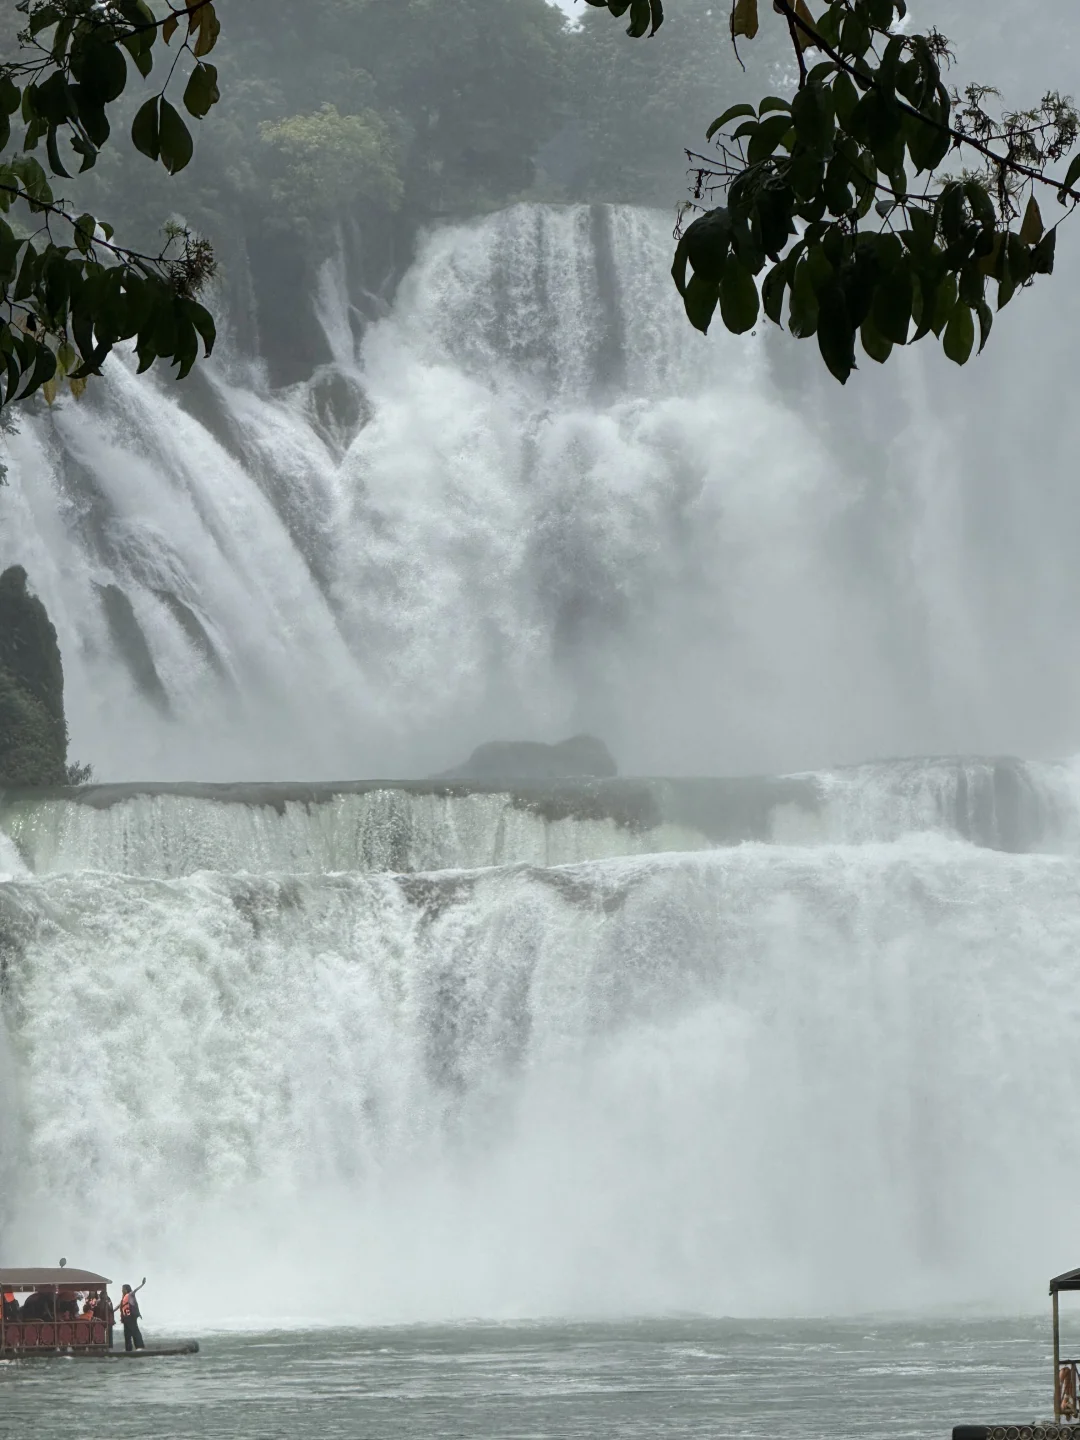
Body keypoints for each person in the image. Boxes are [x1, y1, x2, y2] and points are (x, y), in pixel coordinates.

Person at [119, 1280, 146, 1352]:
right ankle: (128, 1348)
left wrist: (142, 1284)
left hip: (131, 1317)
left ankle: (140, 1346)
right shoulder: (123, 1298)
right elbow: (118, 1306)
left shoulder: (130, 1295)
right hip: (126, 1319)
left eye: (123, 1289)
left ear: (126, 1289)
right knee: (127, 1334)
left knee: (135, 1331)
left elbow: (135, 1290)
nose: (122, 1290)